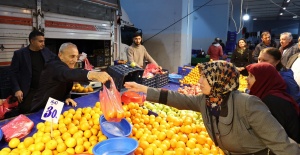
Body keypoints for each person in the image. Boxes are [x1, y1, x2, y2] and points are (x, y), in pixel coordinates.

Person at [124, 61, 300, 155]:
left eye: (204, 78)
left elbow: (280, 142)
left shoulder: (248, 104)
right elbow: (178, 98)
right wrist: (145, 90)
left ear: (219, 81)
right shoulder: (207, 100)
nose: (199, 82)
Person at [29, 43, 111, 113]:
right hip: (41, 109)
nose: (75, 60)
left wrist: (66, 97)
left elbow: (65, 80)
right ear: (60, 55)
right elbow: (67, 74)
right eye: (72, 56)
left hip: (55, 107)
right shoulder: (54, 66)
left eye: (76, 57)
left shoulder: (65, 66)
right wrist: (93, 74)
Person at [245, 62, 300, 143]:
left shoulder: (271, 101)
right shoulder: (266, 94)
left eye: (251, 76)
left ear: (263, 80)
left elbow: (276, 136)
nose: (247, 79)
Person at [10, 30, 57, 114]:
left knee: (45, 112)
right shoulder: (20, 54)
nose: (43, 44)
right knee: (27, 113)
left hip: (45, 90)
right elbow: (13, 73)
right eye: (40, 41)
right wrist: (17, 89)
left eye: (44, 41)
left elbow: (58, 61)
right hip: (29, 91)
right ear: (32, 41)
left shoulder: (46, 52)